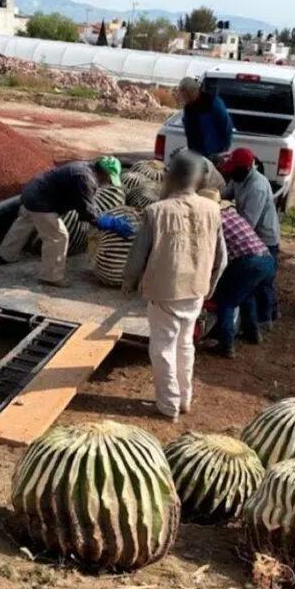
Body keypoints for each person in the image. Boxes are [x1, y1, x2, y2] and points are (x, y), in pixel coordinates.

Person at [122, 151, 227, 422]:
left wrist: (129, 282)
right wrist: (210, 285)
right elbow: (221, 258)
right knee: (185, 345)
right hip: (196, 289)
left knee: (162, 347)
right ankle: (184, 398)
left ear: (171, 177)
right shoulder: (213, 210)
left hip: (165, 291)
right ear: (197, 179)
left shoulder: (156, 211)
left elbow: (137, 256)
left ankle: (168, 405)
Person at [0, 157, 132, 287]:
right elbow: (87, 211)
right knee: (58, 237)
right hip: (41, 201)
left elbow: (83, 201)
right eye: (108, 179)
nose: (106, 183)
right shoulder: (86, 179)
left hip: (32, 190)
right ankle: (51, 276)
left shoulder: (84, 167)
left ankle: (5, 255)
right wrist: (109, 223)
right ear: (103, 173)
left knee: (24, 222)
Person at [201, 193, 276, 358]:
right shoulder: (233, 216)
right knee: (245, 295)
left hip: (249, 263)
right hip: (267, 259)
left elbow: (215, 254)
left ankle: (226, 345)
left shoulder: (214, 222)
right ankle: (253, 332)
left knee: (226, 301)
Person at [221, 148, 281, 328]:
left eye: (234, 170)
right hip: (251, 235)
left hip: (264, 237)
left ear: (247, 168)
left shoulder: (257, 187)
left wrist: (225, 221)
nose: (230, 173)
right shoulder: (238, 178)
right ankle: (253, 322)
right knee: (250, 285)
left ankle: (267, 317)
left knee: (263, 282)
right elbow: (225, 194)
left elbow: (248, 224)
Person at [177, 77, 234, 161]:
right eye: (184, 97)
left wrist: (222, 151)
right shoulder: (188, 109)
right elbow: (189, 132)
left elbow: (227, 127)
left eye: (187, 96)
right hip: (196, 154)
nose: (186, 99)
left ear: (195, 91)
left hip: (216, 153)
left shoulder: (213, 104)